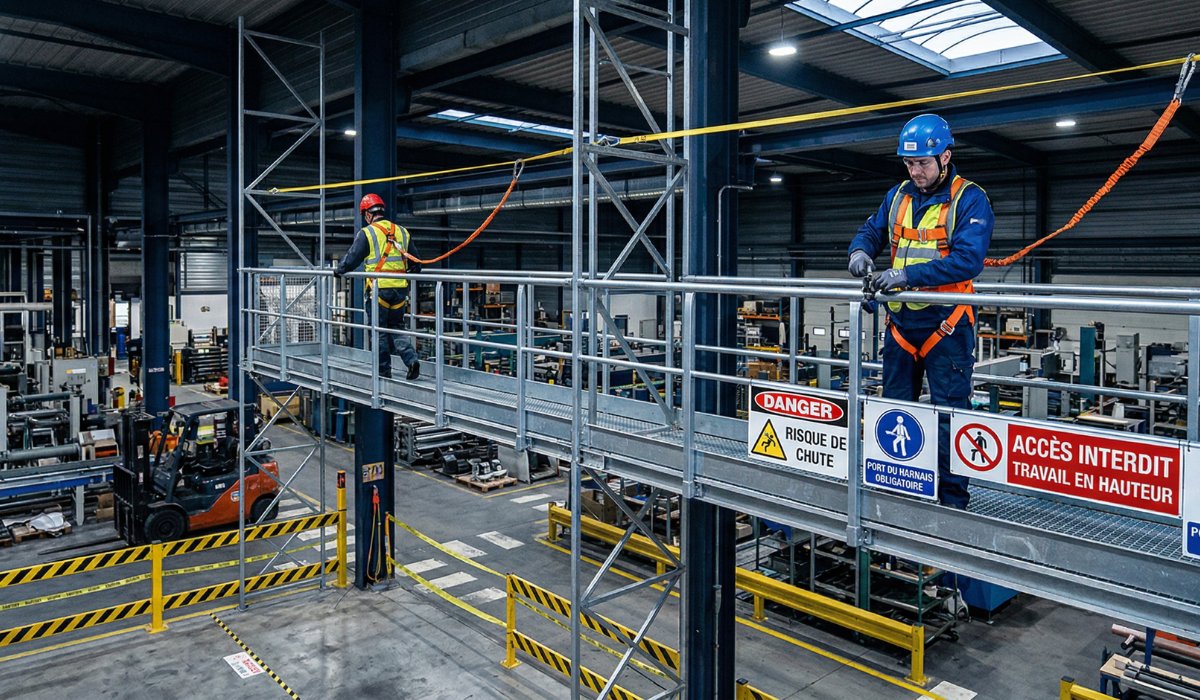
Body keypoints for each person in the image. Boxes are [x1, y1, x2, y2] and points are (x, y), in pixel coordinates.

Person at [847, 114, 993, 509]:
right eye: (909, 164)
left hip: (946, 326)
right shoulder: (898, 196)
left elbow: (967, 261)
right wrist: (860, 253)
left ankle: (951, 503)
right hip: (901, 326)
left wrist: (907, 276)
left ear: (945, 157)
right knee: (892, 411)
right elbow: (872, 230)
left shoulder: (970, 199)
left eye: (923, 163)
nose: (916, 171)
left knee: (948, 417)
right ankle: (897, 493)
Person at [335, 193, 422, 380]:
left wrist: (339, 270)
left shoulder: (368, 233)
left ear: (367, 214)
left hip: (379, 290)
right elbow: (416, 264)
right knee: (397, 327)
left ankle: (383, 372)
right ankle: (411, 360)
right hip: (400, 289)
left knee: (379, 330)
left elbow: (352, 258)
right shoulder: (402, 231)